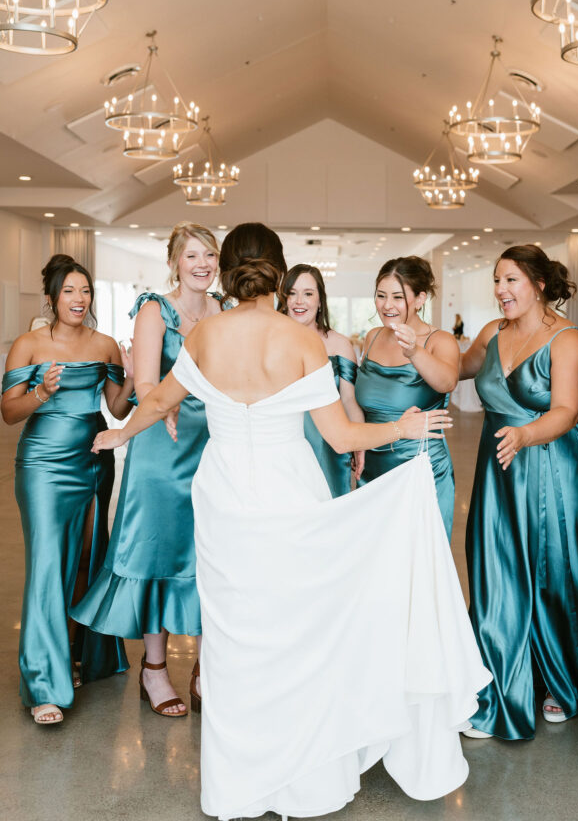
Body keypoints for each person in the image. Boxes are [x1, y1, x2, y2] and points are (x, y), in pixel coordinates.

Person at [92, 222, 492, 820]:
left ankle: (238, 782)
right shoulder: (301, 341)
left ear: (227, 271)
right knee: (297, 630)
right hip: (288, 494)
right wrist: (401, 429)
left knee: (232, 637)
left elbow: (156, 401)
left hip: (224, 498)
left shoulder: (205, 335)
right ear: (278, 274)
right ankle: (303, 776)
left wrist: (121, 431)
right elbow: (340, 435)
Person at [72, 223, 223, 718]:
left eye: (210, 255)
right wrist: (165, 404)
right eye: (193, 255)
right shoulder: (155, 308)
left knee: (209, 554)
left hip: (212, 447)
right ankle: (154, 670)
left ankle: (206, 670)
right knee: (160, 552)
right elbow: (148, 382)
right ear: (175, 262)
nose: (203, 264)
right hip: (161, 444)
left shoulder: (223, 309)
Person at [459, 245, 578, 740]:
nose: (501, 290)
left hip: (551, 468)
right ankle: (497, 684)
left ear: (537, 283)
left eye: (510, 280)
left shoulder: (565, 339)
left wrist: (525, 434)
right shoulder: (492, 333)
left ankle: (558, 677)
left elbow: (566, 411)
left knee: (553, 573)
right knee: (496, 574)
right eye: (496, 281)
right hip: (499, 471)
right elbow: (456, 371)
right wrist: (416, 343)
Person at [1, 254, 132, 725]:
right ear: (53, 298)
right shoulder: (29, 345)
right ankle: (43, 684)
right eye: (70, 292)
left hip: (94, 460)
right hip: (41, 464)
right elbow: (9, 413)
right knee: (46, 565)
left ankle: (78, 656)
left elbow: (117, 409)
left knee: (85, 559)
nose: (79, 299)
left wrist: (132, 372)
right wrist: (41, 393)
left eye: (86, 291)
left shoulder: (105, 344)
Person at [355, 257, 459, 535]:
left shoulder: (440, 340)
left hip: (419, 467)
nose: (387, 305)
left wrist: (414, 350)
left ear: (420, 298)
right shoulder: (373, 336)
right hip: (373, 466)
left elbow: (447, 382)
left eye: (398, 297)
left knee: (420, 560)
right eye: (381, 296)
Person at [280, 263, 364, 495]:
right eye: (292, 293)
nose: (299, 301)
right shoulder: (271, 341)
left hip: (328, 449)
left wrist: (358, 443)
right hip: (281, 448)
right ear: (284, 298)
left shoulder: (339, 344)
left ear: (320, 301)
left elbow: (349, 400)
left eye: (308, 294)